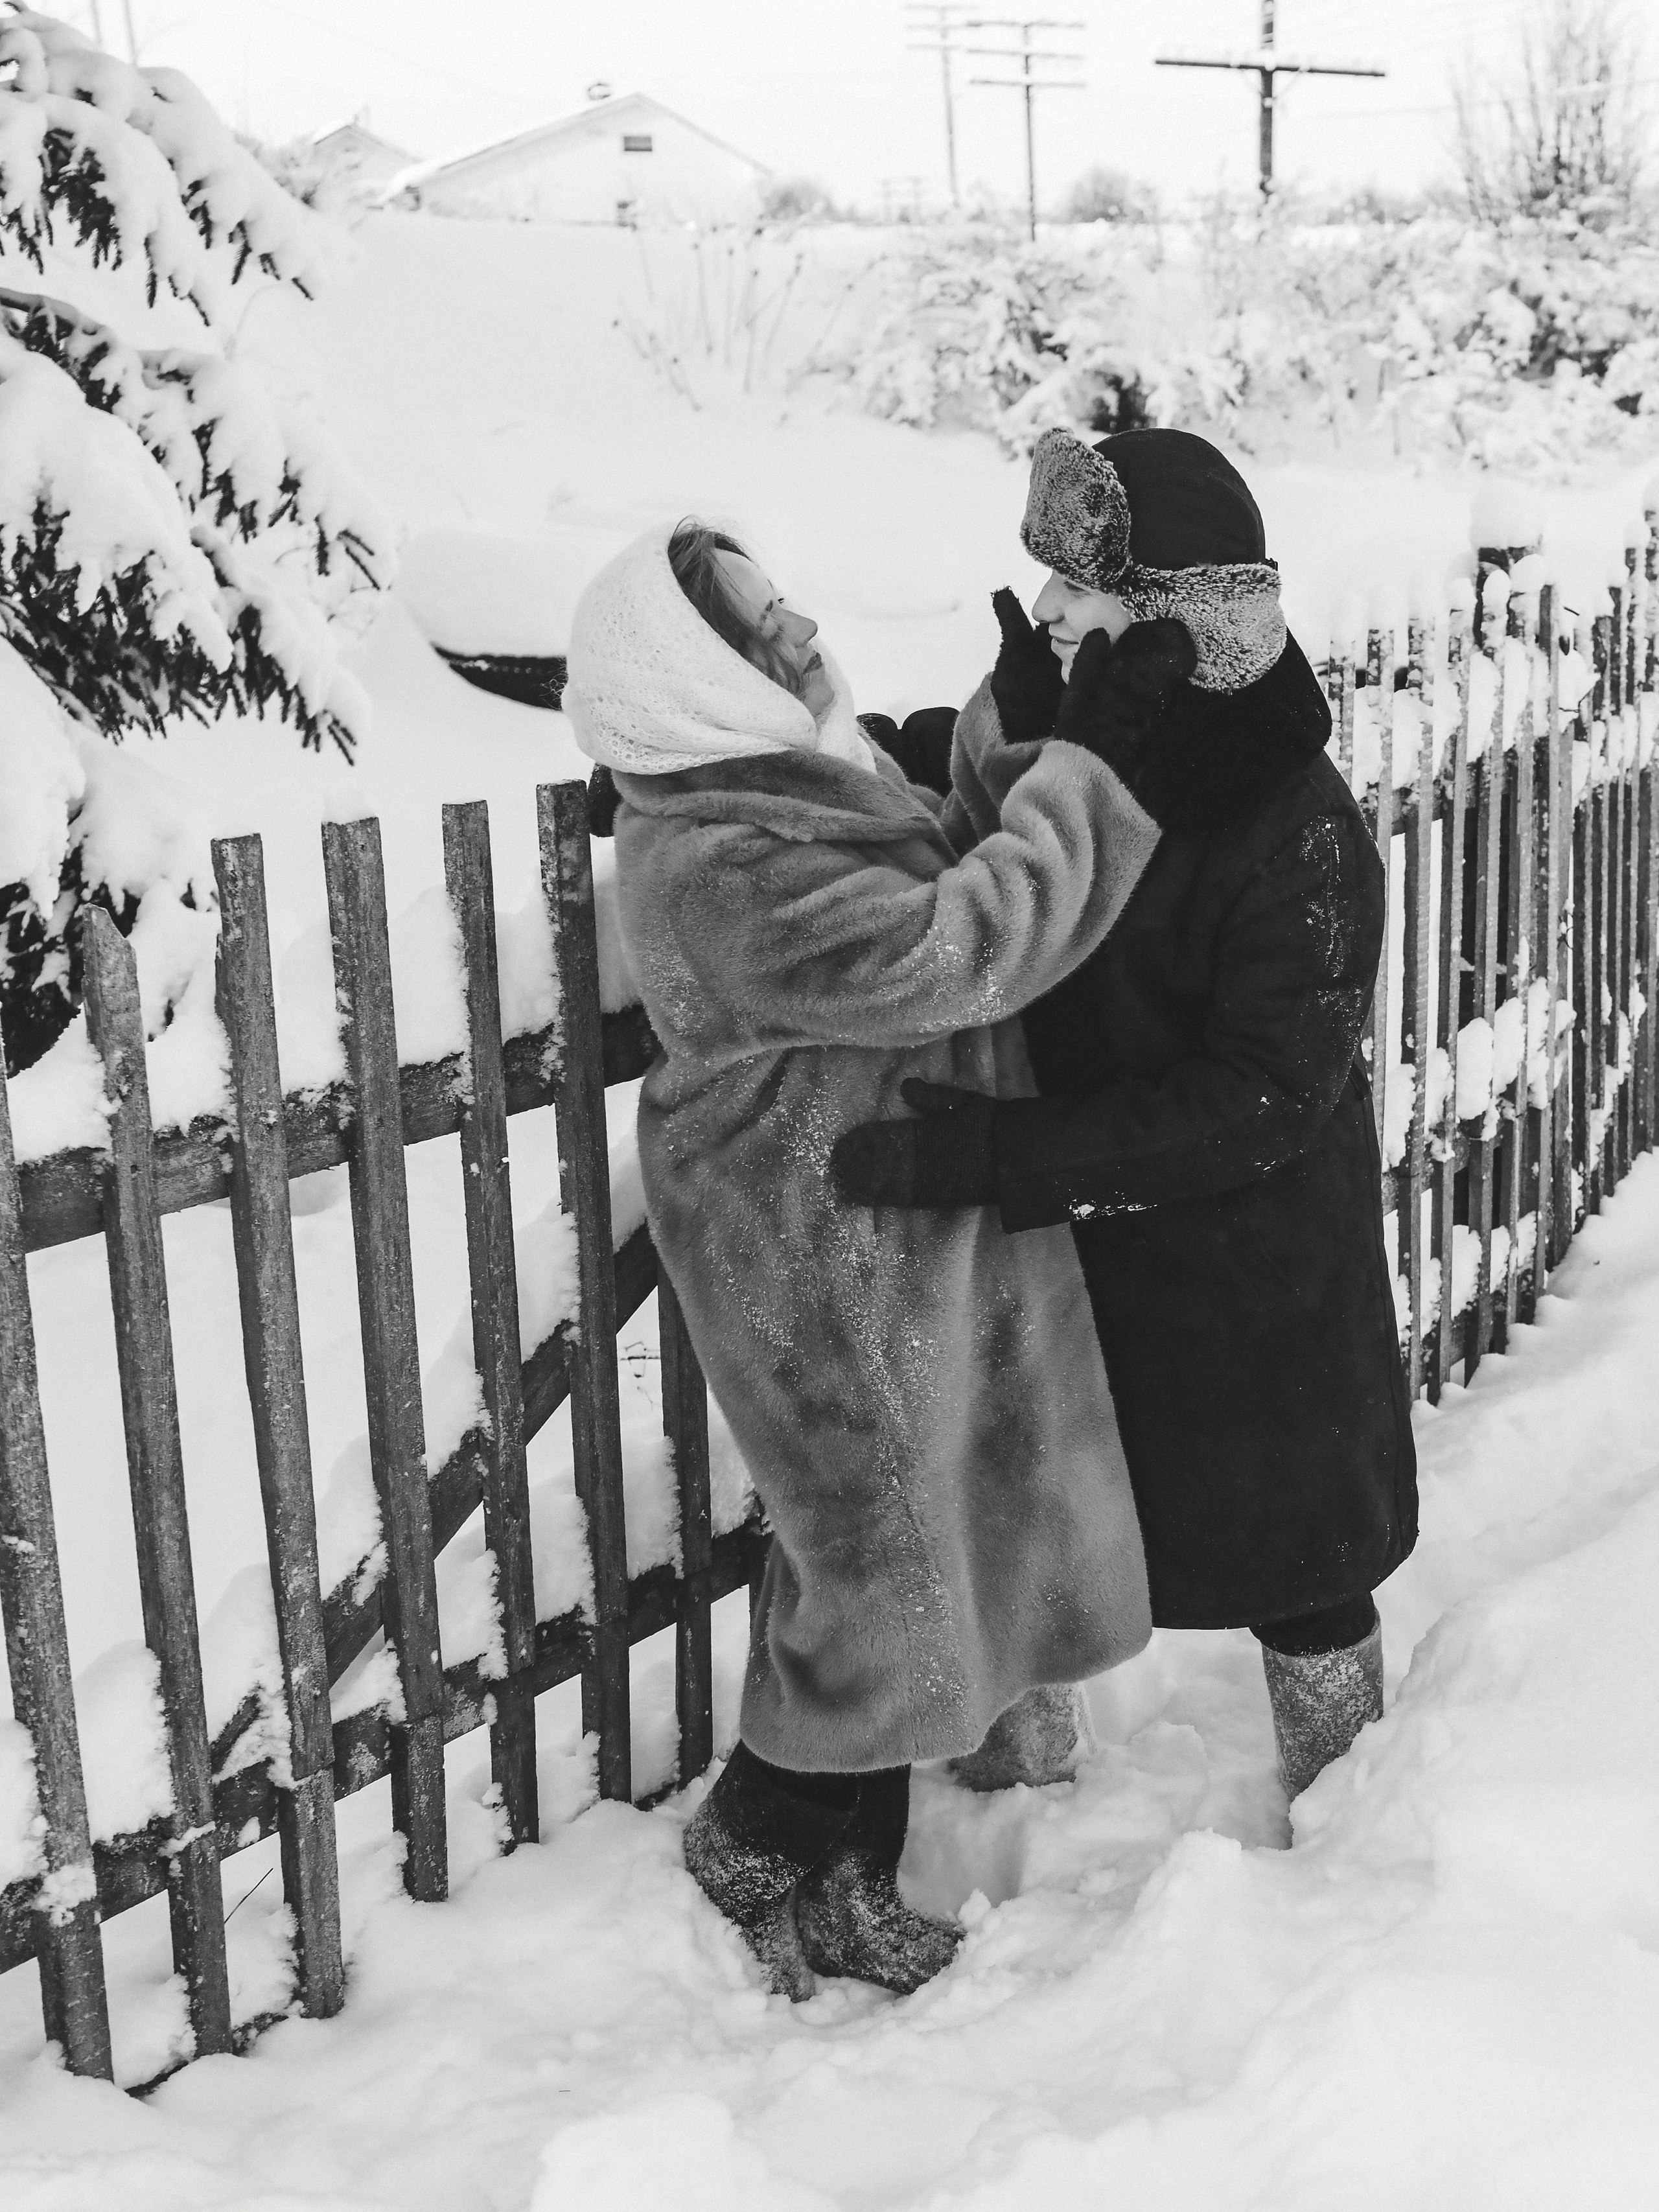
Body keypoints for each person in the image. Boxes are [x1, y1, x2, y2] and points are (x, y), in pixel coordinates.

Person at [562, 515, 1174, 2001]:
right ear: (683, 678)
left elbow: (936, 861)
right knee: (877, 1572)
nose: (797, 634)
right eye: (752, 628)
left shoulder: (784, 787)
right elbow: (946, 947)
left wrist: (1011, 726)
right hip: (813, 1253)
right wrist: (1082, 774)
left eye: (782, 604)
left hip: (887, 1222)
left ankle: (844, 1882)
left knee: (910, 1550)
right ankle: (755, 1848)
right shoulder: (712, 860)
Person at [833, 428, 1419, 1808]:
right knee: (1039, 1521)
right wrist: (814, 780)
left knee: (1298, 1562)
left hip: (1247, 1273)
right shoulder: (1063, 725)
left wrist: (1001, 1157)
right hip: (1074, 1250)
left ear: (1167, 619)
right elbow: (976, 805)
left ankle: (1348, 1811)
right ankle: (1009, 1804)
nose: (1040, 611)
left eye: (1075, 592)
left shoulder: (1291, 824)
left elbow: (1264, 1093)